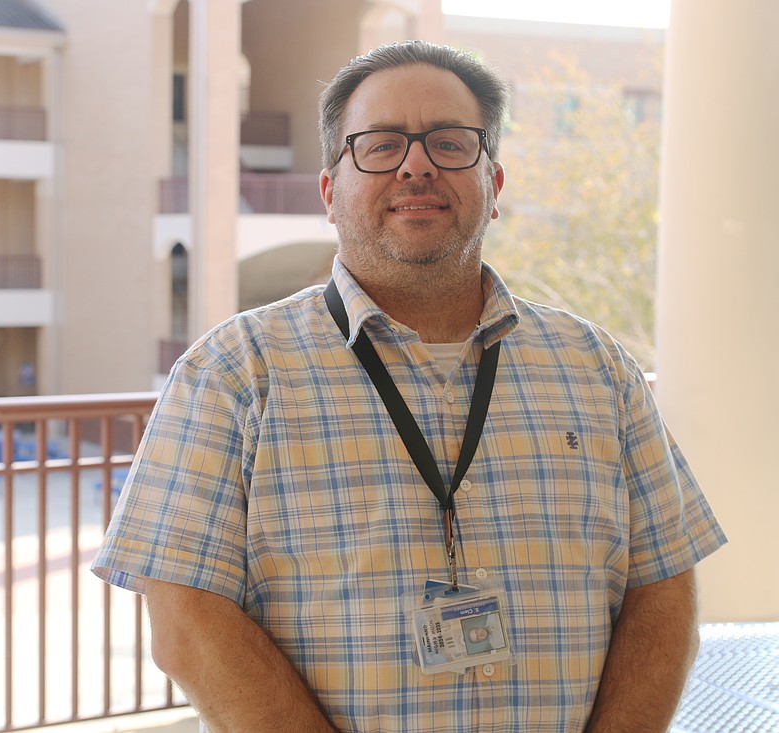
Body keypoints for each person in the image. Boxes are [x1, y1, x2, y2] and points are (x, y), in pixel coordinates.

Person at [92, 40, 726, 732]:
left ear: (494, 185)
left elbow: (664, 585)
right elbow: (185, 619)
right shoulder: (234, 374)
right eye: (381, 144)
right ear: (331, 191)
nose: (416, 163)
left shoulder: (598, 368)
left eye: (450, 143)